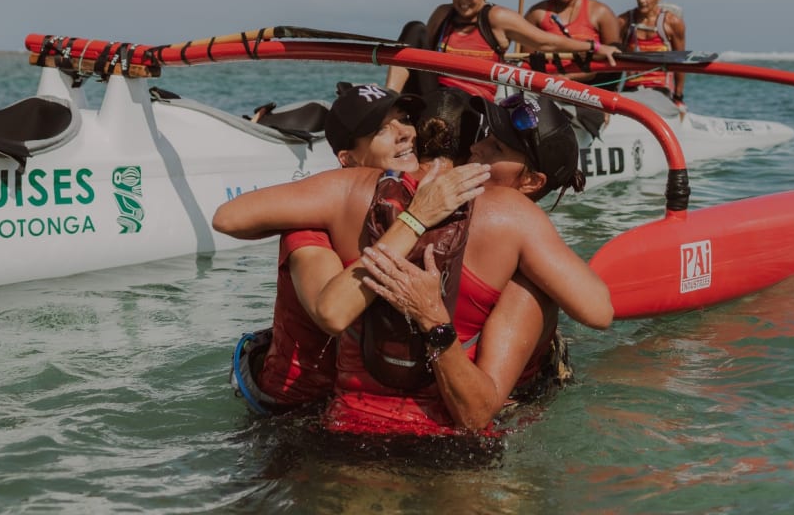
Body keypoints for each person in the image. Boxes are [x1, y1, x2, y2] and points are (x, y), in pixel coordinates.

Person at [213, 92, 611, 435]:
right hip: (457, 433)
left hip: (323, 421)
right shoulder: (517, 226)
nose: (479, 148)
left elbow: (228, 219)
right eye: (484, 137)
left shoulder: (337, 198)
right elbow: (598, 311)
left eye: (497, 147)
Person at [230, 82, 485, 416]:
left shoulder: (430, 203)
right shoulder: (313, 221)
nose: (405, 133)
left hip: (358, 399)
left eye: (405, 119)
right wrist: (417, 218)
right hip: (291, 407)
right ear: (347, 159)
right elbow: (333, 314)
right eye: (381, 129)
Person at [385, 0, 619, 100]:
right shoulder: (443, 13)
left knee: (452, 101)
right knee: (414, 29)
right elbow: (419, 61)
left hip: (472, 101)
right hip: (435, 93)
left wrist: (594, 46)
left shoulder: (497, 17)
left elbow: (545, 42)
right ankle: (389, 100)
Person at [617, 0, 687, 105]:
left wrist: (678, 99)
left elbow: (680, 64)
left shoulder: (673, 23)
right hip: (630, 90)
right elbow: (613, 61)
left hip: (660, 91)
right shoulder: (623, 22)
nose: (642, 0)